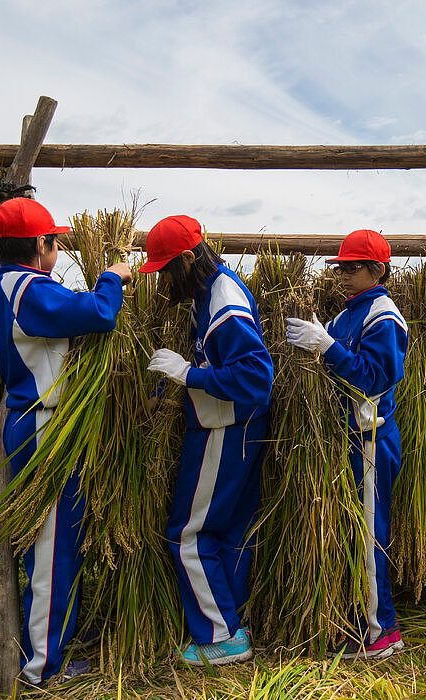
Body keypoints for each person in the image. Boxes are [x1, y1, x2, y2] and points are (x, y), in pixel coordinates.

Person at [0, 197, 132, 685]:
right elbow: (99, 313)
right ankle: (41, 667)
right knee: (50, 547)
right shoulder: (28, 290)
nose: (57, 248)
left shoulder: (13, 285)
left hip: (33, 423)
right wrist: (113, 275)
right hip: (41, 426)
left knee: (57, 540)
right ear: (38, 245)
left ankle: (49, 649)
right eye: (54, 241)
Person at [140, 215, 273, 666]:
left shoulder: (223, 302)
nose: (162, 281)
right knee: (230, 534)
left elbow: (258, 378)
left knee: (188, 535)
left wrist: (188, 375)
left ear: (189, 260)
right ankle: (233, 623)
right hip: (235, 430)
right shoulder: (211, 290)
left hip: (224, 431)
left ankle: (220, 637)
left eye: (165, 270)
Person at [285, 229, 409, 659]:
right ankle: (361, 620)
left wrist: (329, 347)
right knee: (354, 534)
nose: (342, 274)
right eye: (340, 267)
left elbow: (376, 377)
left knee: (370, 536)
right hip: (348, 441)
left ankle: (382, 630)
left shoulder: (384, 317)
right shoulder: (347, 315)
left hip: (371, 440)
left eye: (351, 267)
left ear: (377, 270)